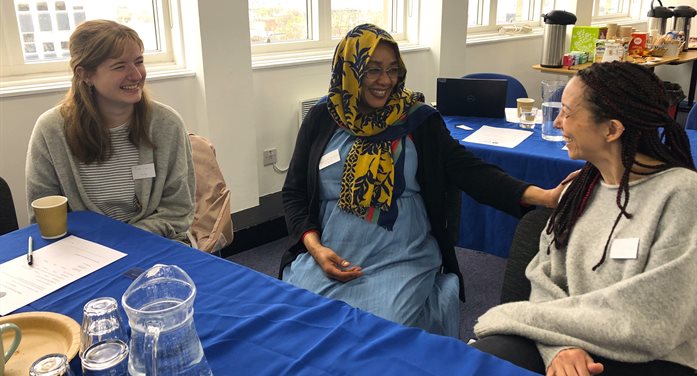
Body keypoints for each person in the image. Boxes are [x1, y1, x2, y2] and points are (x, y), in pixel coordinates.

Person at [279, 24, 569, 337]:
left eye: (393, 69)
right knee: (303, 322)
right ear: (350, 69)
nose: (386, 80)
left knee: (377, 331)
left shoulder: (417, 119)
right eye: (373, 70)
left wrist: (543, 196)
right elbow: (295, 192)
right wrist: (315, 248)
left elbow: (471, 171)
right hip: (331, 247)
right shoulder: (322, 117)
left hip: (400, 250)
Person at [473, 61, 696, 375]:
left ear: (611, 129)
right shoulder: (580, 189)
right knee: (487, 359)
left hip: (654, 356)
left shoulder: (681, 194)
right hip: (573, 336)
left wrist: (525, 321)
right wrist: (559, 347)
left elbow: (652, 320)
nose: (559, 122)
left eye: (567, 111)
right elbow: (545, 278)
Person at [26, 20, 195, 243]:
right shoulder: (51, 130)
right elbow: (44, 215)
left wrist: (124, 240)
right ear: (85, 74)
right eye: (119, 66)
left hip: (158, 242)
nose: (136, 75)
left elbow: (178, 210)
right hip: (86, 251)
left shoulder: (166, 124)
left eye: (139, 61)